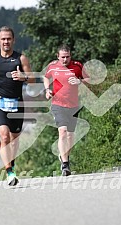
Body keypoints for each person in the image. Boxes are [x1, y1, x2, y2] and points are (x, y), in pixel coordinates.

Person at [0, 26, 35, 186]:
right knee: (4, 136)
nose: (6, 41)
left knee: (14, 139)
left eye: (9, 38)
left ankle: (11, 162)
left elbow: (32, 79)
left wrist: (23, 77)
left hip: (17, 103)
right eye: (3, 39)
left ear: (13, 40)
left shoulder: (21, 59)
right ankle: (9, 172)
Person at [44, 44, 88, 176]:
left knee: (70, 136)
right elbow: (46, 77)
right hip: (58, 104)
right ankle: (65, 164)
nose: (65, 60)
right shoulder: (52, 66)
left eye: (67, 57)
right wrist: (47, 90)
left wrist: (80, 82)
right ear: (58, 56)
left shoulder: (77, 66)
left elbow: (88, 79)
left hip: (74, 105)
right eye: (62, 57)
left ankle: (65, 157)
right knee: (62, 132)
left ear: (71, 56)